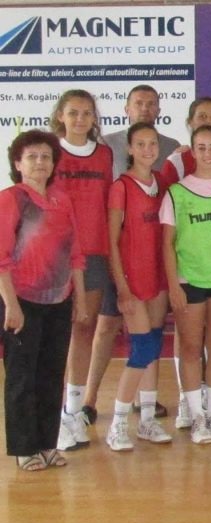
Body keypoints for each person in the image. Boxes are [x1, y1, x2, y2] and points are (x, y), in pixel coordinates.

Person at [85, 85, 181, 425]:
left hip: (153, 266)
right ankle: (89, 400)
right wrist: (120, 279)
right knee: (107, 327)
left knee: (150, 339)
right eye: (138, 103)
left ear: (159, 110)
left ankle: (146, 407)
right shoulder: (106, 147)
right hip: (121, 263)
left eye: (151, 103)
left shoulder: (170, 150)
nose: (145, 108)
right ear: (126, 108)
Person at [1, 130, 87, 470]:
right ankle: (25, 449)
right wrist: (11, 305)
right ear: (18, 164)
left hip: (59, 300)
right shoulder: (11, 199)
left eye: (46, 157)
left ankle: (47, 443)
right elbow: (1, 258)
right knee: (22, 377)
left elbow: (76, 253)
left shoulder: (62, 200)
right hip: (22, 300)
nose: (40, 162)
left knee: (51, 374)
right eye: (32, 157)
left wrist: (80, 297)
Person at [160, 125, 211, 444]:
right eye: (201, 148)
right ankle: (196, 416)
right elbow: (167, 244)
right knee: (191, 349)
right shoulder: (177, 192)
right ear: (192, 152)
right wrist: (174, 285)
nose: (208, 153)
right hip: (189, 281)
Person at [49, 89, 114, 452]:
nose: (80, 119)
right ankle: (54, 414)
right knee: (57, 331)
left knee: (84, 327)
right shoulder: (50, 151)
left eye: (87, 113)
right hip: (56, 257)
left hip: (94, 254)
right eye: (73, 112)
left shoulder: (104, 154)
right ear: (60, 115)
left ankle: (73, 412)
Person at [103, 123, 173, 451]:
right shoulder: (121, 187)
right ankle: (118, 424)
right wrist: (122, 287)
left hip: (158, 276)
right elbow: (112, 242)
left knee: (154, 345)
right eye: (140, 144)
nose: (148, 149)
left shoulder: (162, 183)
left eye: (152, 143)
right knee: (142, 348)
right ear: (129, 149)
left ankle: (147, 420)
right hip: (133, 278)